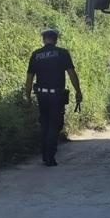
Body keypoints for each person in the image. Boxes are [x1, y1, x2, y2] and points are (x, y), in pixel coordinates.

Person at [25, 27, 83, 166]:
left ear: (43, 39)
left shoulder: (36, 54)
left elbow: (29, 78)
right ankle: (49, 156)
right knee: (55, 125)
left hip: (41, 95)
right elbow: (72, 74)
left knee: (44, 123)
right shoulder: (62, 53)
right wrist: (78, 91)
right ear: (56, 40)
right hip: (57, 96)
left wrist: (27, 96)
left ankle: (45, 154)